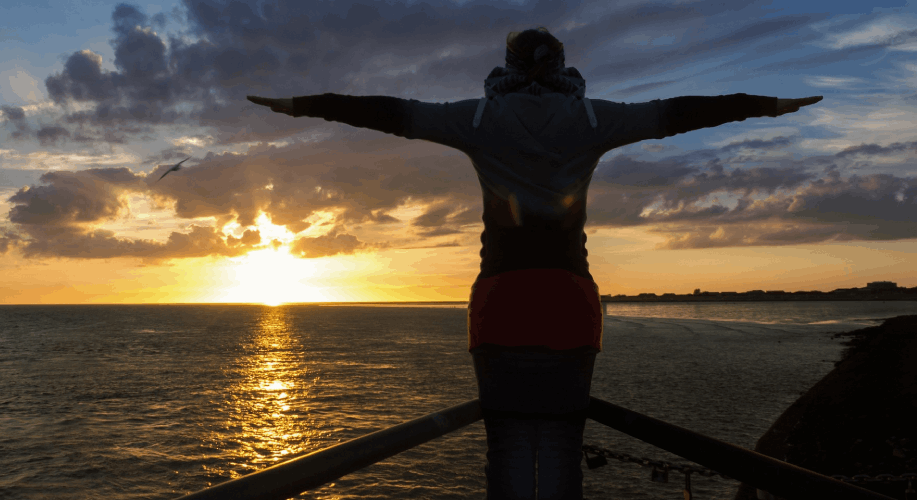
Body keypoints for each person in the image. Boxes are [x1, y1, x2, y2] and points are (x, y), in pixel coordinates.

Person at [248, 26, 821, 500]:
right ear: (563, 65)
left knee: (509, 444)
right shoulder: (594, 119)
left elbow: (388, 113)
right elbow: (682, 113)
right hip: (570, 301)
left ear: (506, 64)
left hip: (502, 300)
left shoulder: (477, 120)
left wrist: (301, 106)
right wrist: (766, 106)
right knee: (563, 441)